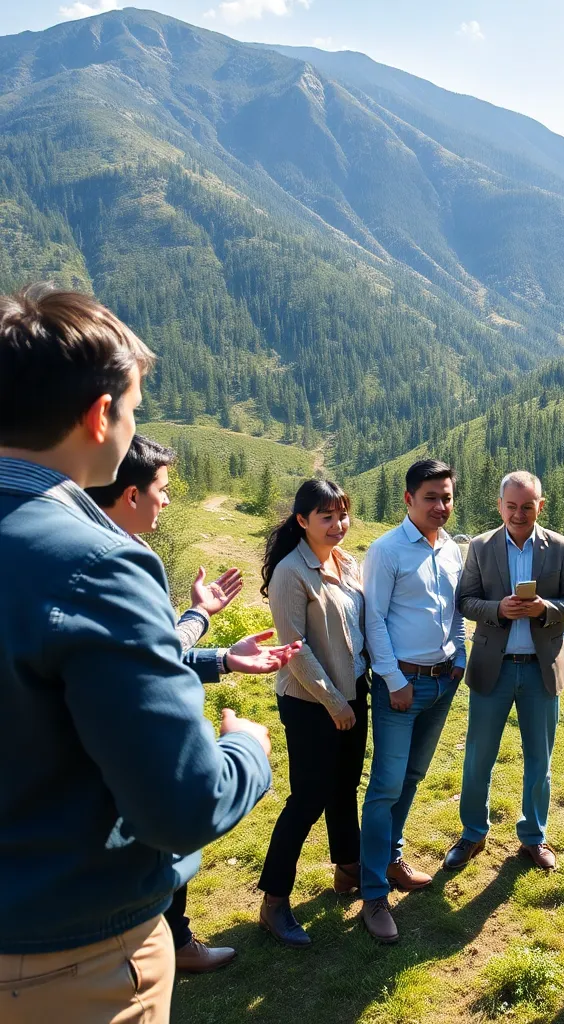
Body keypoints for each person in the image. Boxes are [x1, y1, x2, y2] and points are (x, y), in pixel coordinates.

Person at [0, 285, 273, 1023]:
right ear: (99, 416)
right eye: (134, 409)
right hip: (68, 959)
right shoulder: (95, 563)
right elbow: (182, 803)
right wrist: (248, 751)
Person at [87, 434, 300, 974]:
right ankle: (165, 945)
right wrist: (246, 746)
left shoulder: (110, 550)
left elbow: (155, 653)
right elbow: (148, 668)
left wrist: (216, 646)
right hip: (137, 761)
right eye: (162, 490)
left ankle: (176, 939)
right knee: (165, 828)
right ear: (131, 494)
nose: (166, 501)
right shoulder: (112, 565)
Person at [443, 471, 564, 874]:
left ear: (541, 505)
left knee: (539, 760)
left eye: (527, 506)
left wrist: (543, 608)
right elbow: (466, 601)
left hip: (541, 672)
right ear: (500, 505)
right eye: (512, 506)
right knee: (478, 757)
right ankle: (473, 833)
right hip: (495, 668)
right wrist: (497, 610)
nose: (519, 514)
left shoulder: (560, 547)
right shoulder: (482, 546)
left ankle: (534, 837)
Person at [256, 480, 370, 948]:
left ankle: (349, 868)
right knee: (307, 798)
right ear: (302, 521)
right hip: (310, 702)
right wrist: (333, 702)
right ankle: (274, 901)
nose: (338, 525)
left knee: (344, 787)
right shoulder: (290, 573)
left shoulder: (345, 563)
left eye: (342, 515)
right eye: (327, 517)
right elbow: (293, 652)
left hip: (353, 692)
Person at [359, 459, 466, 943]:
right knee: (385, 785)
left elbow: (456, 612)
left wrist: (459, 657)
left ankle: (391, 856)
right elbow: (374, 620)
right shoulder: (386, 551)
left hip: (442, 683)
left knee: (414, 776)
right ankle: (374, 892)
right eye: (431, 498)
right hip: (401, 687)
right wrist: (393, 677)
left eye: (447, 497)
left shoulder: (451, 550)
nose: (441, 507)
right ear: (408, 500)